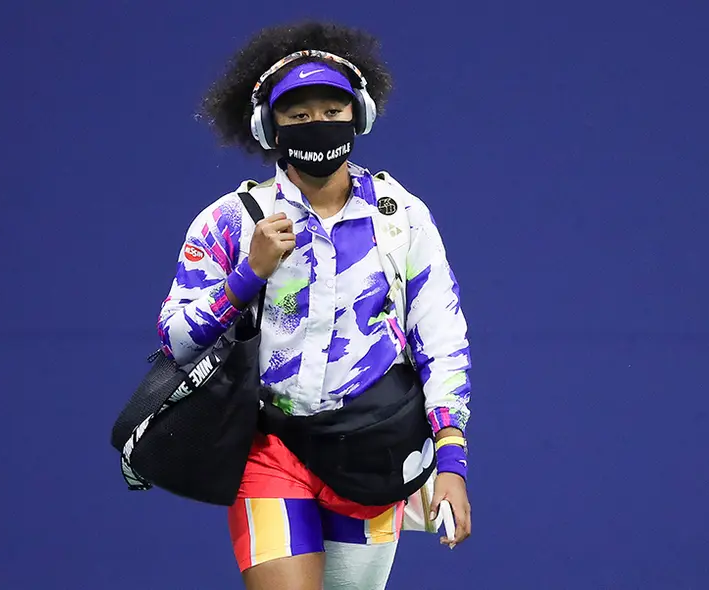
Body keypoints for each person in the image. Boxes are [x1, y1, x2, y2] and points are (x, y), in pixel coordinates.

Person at [155, 20, 473, 590]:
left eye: (332, 110)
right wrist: (246, 275)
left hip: (374, 450)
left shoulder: (401, 219)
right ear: (266, 127)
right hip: (269, 449)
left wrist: (451, 463)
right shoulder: (231, 221)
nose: (317, 125)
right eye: (297, 115)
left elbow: (443, 344)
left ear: (360, 115)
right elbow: (176, 339)